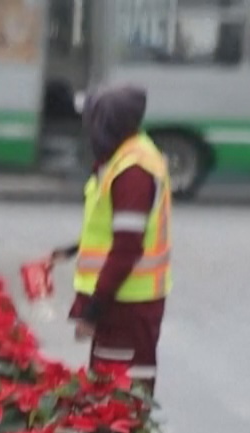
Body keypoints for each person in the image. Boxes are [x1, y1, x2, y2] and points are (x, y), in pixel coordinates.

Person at [69, 83, 171, 392]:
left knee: (119, 399)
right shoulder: (125, 158)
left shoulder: (132, 171)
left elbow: (126, 247)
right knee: (108, 395)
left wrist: (93, 310)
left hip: (127, 304)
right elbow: (112, 234)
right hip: (122, 303)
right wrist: (66, 251)